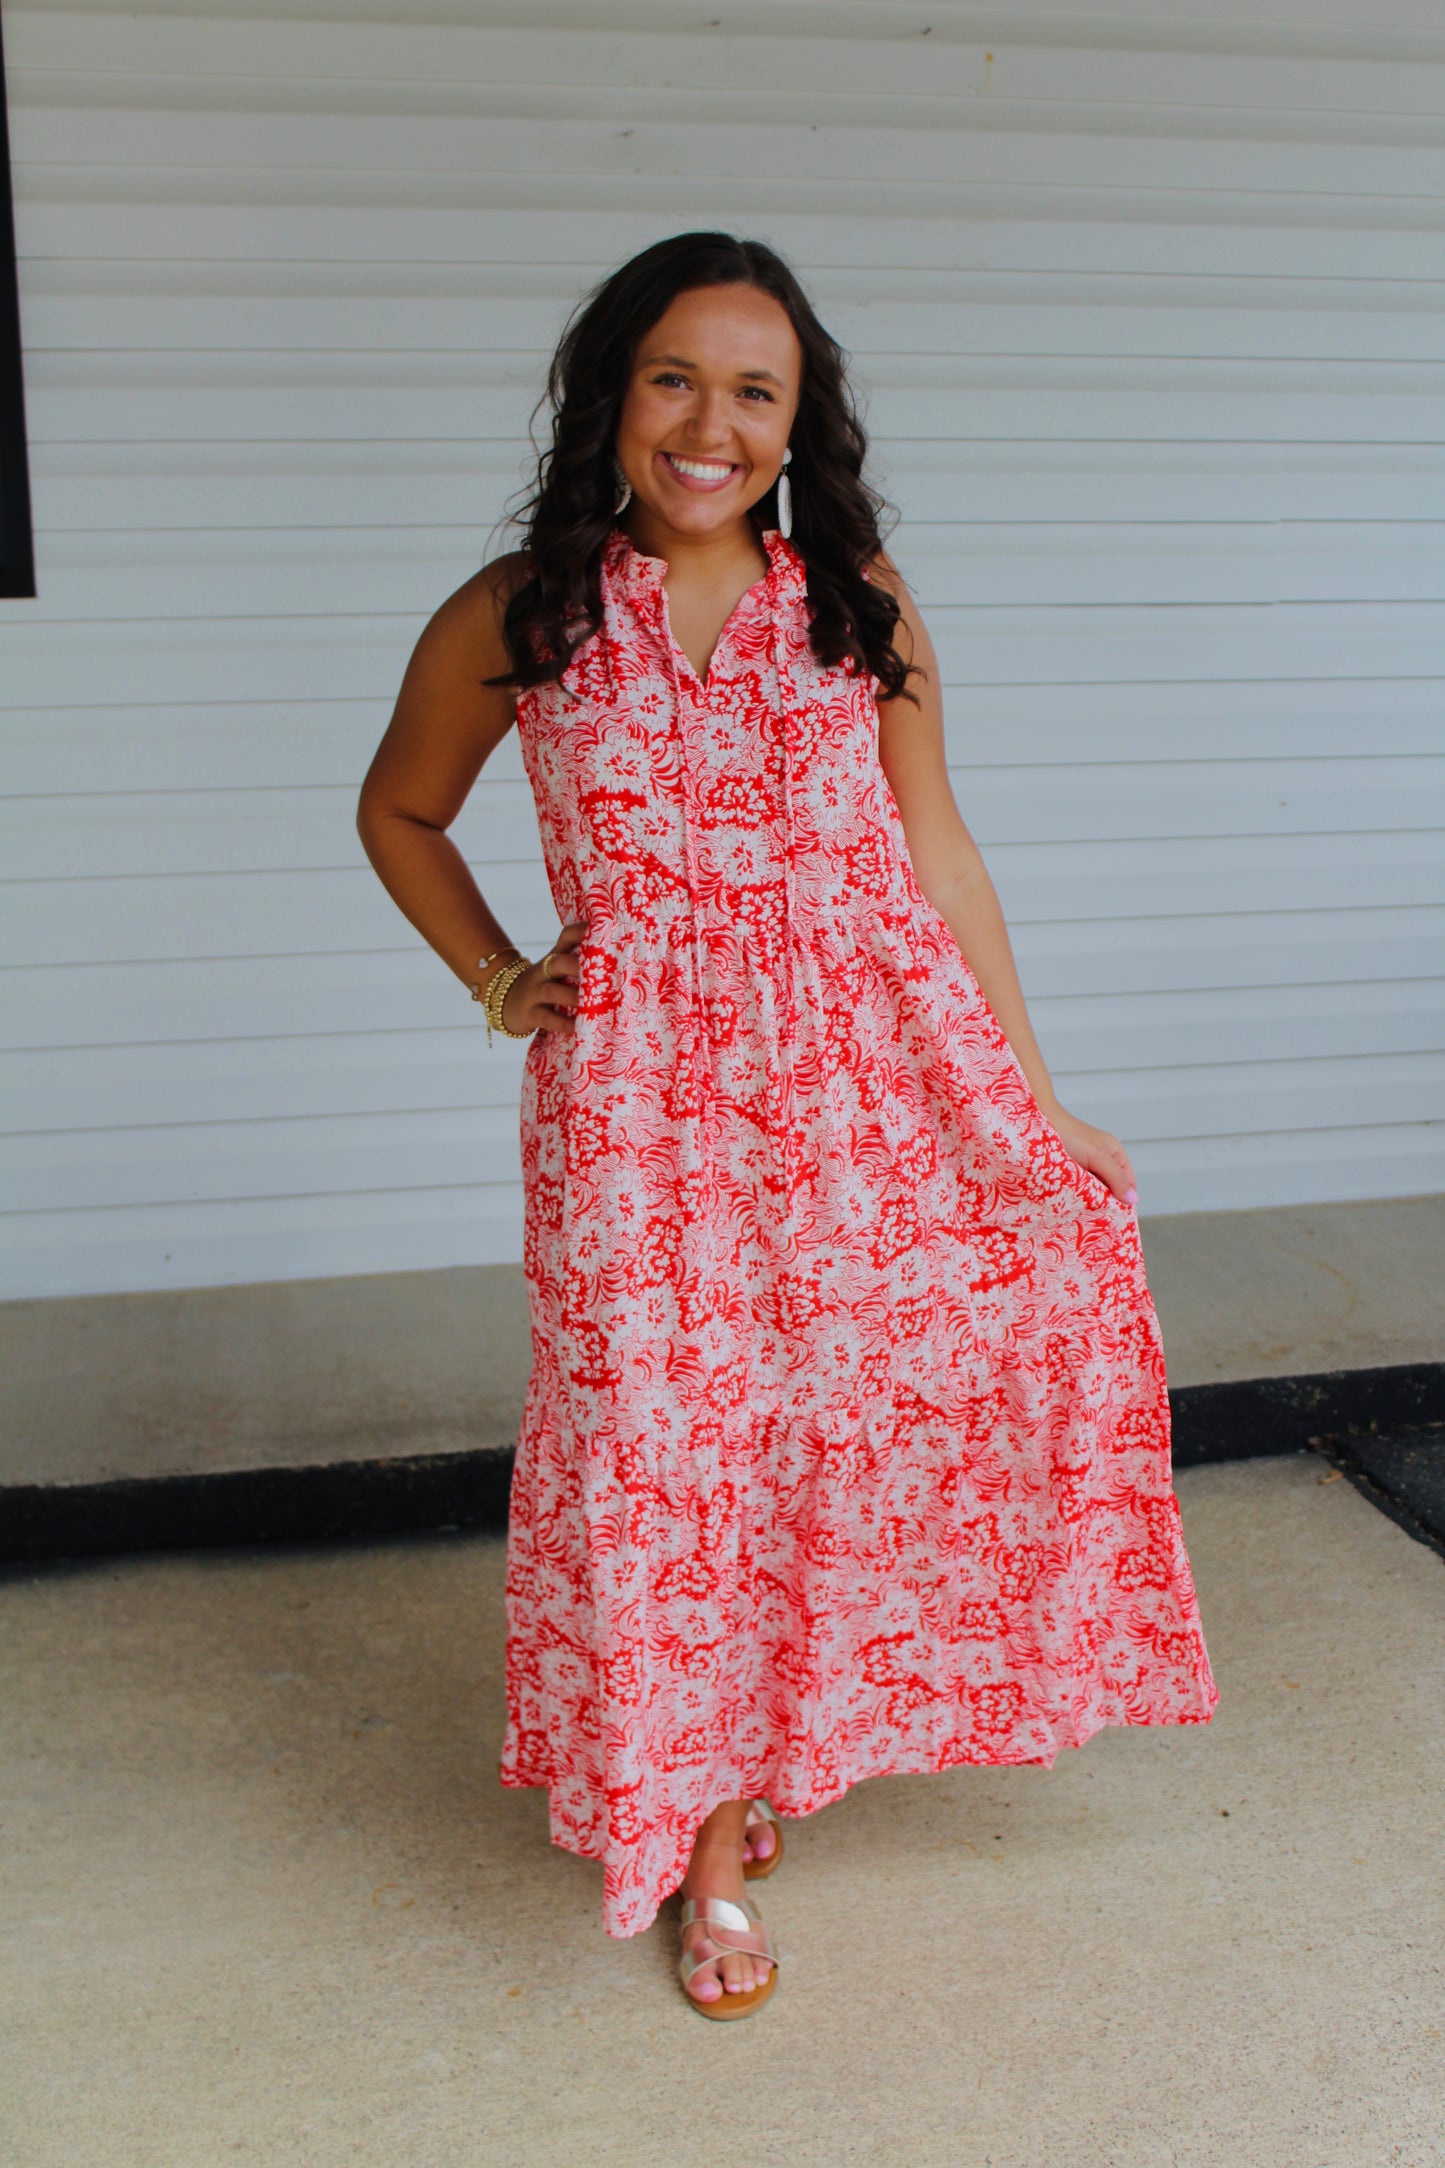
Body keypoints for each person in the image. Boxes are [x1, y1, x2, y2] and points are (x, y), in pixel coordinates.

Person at [357, 231, 1218, 2021]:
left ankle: (755, 1772)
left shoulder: (853, 602)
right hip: (636, 1117)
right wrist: (507, 981)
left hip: (863, 1083)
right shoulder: (521, 613)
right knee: (664, 1459)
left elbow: (939, 853)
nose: (709, 422)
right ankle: (692, 1845)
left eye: (756, 390)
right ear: (608, 392)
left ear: (795, 421)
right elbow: (399, 812)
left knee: (830, 1436)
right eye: (674, 376)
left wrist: (1034, 1095)